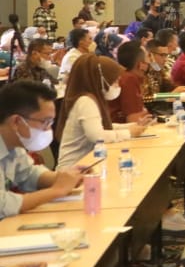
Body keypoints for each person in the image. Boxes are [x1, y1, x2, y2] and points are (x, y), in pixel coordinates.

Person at [0, 82, 84, 218]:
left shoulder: (14, 145)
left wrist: (65, 178)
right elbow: (3, 205)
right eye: (45, 122)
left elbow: (28, 174)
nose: (48, 129)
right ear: (16, 121)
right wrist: (57, 190)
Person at [54, 55, 150, 170]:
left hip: (88, 165)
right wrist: (128, 133)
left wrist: (132, 126)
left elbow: (104, 126)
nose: (117, 85)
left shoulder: (93, 99)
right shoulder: (85, 101)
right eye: (115, 81)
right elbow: (97, 135)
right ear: (101, 81)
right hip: (73, 169)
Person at [110, 40, 153, 124]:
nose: (150, 61)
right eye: (148, 56)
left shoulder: (123, 75)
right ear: (141, 64)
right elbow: (134, 120)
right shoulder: (129, 79)